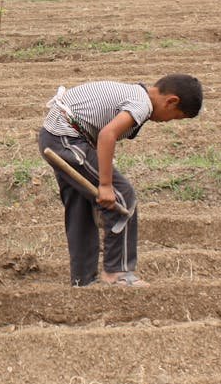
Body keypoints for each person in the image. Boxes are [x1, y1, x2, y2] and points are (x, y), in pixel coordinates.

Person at [38, 74, 202, 287]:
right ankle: (118, 273)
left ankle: (83, 280)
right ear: (171, 101)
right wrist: (105, 185)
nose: (167, 121)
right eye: (174, 117)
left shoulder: (134, 93)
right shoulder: (142, 104)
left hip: (56, 136)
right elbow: (107, 135)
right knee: (122, 197)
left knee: (80, 207)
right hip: (67, 139)